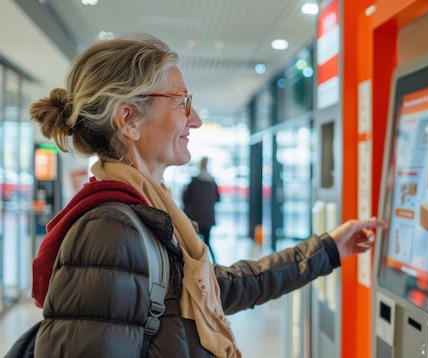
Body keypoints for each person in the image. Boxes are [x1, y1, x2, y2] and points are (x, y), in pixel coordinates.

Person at [28, 33, 387, 358]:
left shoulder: (145, 211)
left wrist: (328, 249)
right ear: (129, 121)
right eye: (181, 101)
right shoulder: (110, 230)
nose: (195, 119)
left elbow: (217, 289)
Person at [183, 157, 220, 262]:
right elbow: (218, 199)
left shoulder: (194, 182)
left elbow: (185, 199)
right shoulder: (212, 182)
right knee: (207, 242)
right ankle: (213, 262)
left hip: (194, 218)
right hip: (208, 219)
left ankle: (194, 264)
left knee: (193, 244)